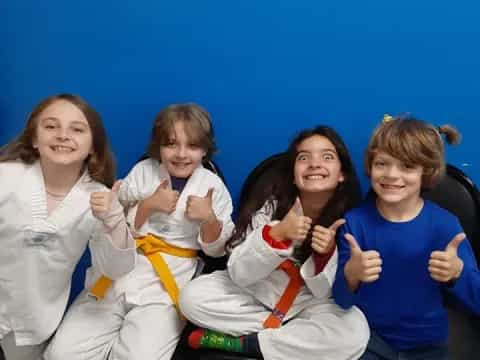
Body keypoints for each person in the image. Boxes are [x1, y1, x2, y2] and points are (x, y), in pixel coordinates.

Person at [45, 103, 235, 360]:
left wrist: (209, 218)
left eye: (192, 145)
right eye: (171, 144)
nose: (181, 154)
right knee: (62, 354)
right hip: (116, 276)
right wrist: (148, 205)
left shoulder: (213, 187)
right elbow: (114, 223)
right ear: (158, 146)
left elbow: (216, 250)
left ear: (205, 149)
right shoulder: (143, 172)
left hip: (164, 288)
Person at [179, 125, 370, 360]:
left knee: (355, 331)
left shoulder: (350, 220)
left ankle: (245, 343)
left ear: (341, 174)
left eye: (327, 157)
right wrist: (277, 233)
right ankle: (290, 342)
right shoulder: (270, 207)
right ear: (293, 174)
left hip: (306, 306)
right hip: (259, 293)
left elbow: (325, 293)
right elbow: (239, 272)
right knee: (191, 298)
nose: (314, 163)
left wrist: (324, 254)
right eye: (304, 157)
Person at [0, 94, 136, 360]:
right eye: (51, 126)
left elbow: (115, 268)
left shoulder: (99, 199)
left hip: (33, 324)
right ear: (35, 139)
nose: (63, 135)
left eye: (77, 129)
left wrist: (114, 221)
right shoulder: (6, 176)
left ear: (93, 147)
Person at [332, 115, 480, 359]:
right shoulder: (354, 223)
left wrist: (457, 274)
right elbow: (341, 300)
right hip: (365, 341)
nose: (391, 174)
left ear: (427, 172)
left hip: (428, 345)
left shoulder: (445, 226)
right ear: (370, 166)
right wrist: (351, 275)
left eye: (407, 166)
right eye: (382, 163)